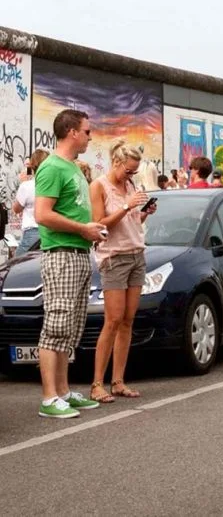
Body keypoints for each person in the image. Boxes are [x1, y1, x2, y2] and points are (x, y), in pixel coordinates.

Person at [33, 109, 107, 419]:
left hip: (78, 252)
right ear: (72, 132)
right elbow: (42, 214)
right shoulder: (51, 167)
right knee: (56, 323)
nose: (91, 136)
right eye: (87, 131)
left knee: (71, 326)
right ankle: (49, 397)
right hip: (61, 253)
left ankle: (63, 391)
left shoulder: (74, 168)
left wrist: (92, 230)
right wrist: (82, 229)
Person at [89, 140, 155, 403]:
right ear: (116, 162)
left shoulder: (130, 185)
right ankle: (96, 384)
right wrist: (127, 206)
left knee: (128, 319)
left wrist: (144, 213)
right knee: (113, 319)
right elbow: (99, 225)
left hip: (136, 253)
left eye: (134, 172)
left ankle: (118, 381)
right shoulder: (99, 186)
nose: (131, 175)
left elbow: (131, 222)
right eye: (128, 170)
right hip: (113, 257)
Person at [13, 149, 50, 257]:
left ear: (32, 166)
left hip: (32, 233)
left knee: (17, 266)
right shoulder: (54, 184)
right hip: (50, 232)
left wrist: (22, 184)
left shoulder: (27, 186)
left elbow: (16, 208)